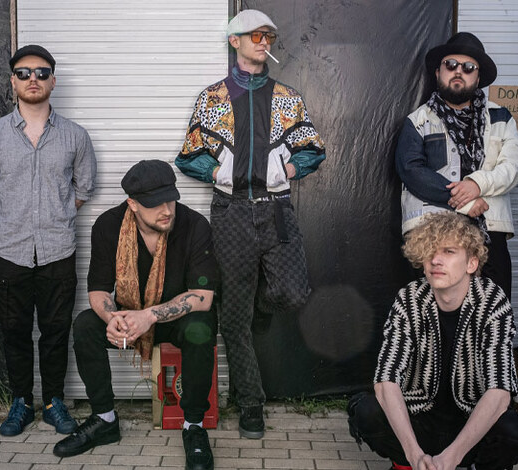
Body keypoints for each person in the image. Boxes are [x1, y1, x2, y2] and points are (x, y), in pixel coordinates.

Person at [174, 9, 326, 439]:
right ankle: (251, 404)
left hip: (277, 208)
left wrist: (290, 169)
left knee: (292, 291)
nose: (264, 43)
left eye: (269, 37)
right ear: (234, 41)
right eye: (256, 35)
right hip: (232, 211)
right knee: (233, 320)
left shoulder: (288, 97)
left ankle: (254, 301)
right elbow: (188, 156)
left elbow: (313, 149)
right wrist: (216, 171)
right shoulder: (212, 99)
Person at [53, 160, 219, 470]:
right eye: (155, 204)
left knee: (201, 326)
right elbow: (98, 290)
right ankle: (104, 419)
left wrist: (150, 316)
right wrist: (113, 319)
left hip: (173, 321)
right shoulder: (108, 225)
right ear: (132, 204)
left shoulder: (194, 225)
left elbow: (203, 297)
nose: (166, 210)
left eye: (171, 199)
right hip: (129, 319)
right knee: (86, 325)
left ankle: (194, 426)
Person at [347, 212, 518, 470]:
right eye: (430, 252)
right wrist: (414, 454)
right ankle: (405, 465)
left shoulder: (492, 302)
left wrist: (452, 457)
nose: (436, 260)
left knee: (514, 431)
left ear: (471, 263)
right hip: (420, 420)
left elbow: (500, 391)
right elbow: (386, 381)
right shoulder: (409, 299)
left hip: (470, 422)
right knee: (367, 410)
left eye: (449, 251)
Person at [0, 44, 95, 437]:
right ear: (13, 81)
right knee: (15, 332)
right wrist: (17, 221)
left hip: (58, 251)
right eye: (24, 73)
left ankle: (55, 402)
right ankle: (21, 403)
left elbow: (82, 188)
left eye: (41, 73)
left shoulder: (75, 136)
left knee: (56, 332)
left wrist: (53, 218)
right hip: (9, 252)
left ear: (53, 81)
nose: (33, 79)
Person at [397, 32, 518, 298]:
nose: (458, 71)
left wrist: (477, 184)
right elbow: (411, 170)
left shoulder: (500, 117)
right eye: (451, 64)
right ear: (438, 72)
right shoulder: (418, 120)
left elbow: (513, 166)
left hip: (489, 231)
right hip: (432, 232)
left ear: (478, 78)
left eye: (468, 67)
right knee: (432, 311)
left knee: (494, 309)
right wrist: (464, 202)